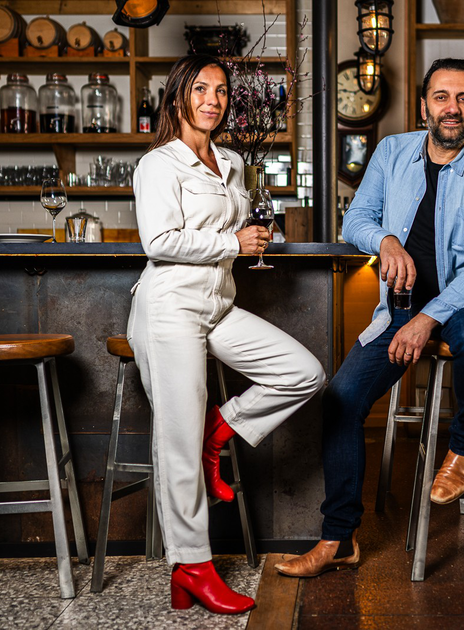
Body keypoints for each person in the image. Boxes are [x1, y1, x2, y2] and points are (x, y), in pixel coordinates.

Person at [275, 58, 464, 577]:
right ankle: (339, 538)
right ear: (424, 104)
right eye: (443, 97)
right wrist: (384, 241)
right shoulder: (391, 152)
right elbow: (356, 218)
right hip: (397, 309)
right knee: (339, 403)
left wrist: (427, 319)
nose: (453, 108)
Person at [128, 54, 326, 613]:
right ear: (177, 98)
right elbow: (159, 242)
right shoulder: (158, 165)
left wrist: (251, 236)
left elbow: (236, 226)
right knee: (179, 446)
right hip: (169, 310)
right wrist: (233, 245)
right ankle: (192, 567)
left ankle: (222, 428)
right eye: (200, 89)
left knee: (302, 372)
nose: (212, 99)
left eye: (220, 91)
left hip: (217, 305)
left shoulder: (233, 162)